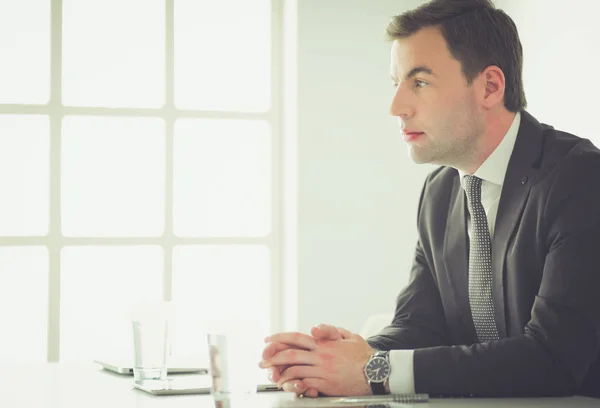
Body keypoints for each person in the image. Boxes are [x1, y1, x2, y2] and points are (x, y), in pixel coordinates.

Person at [258, 0, 600, 398]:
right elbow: (422, 325)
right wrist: (346, 356)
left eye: (419, 82)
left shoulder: (581, 180)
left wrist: (373, 370)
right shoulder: (439, 193)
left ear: (490, 86)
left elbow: (553, 358)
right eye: (396, 83)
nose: (396, 107)